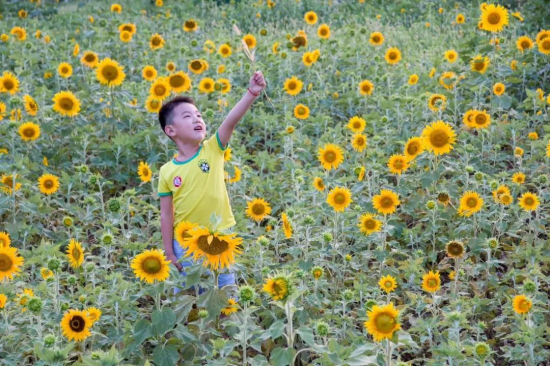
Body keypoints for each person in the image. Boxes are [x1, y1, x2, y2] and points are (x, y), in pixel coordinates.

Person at [157, 70, 266, 294]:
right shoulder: (167, 171)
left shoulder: (212, 149)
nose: (197, 119)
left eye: (199, 115)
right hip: (185, 243)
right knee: (186, 296)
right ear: (171, 130)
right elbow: (167, 214)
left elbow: (231, 121)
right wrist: (169, 250)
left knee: (225, 292)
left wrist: (251, 93)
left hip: (219, 239)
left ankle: (230, 327)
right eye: (187, 116)